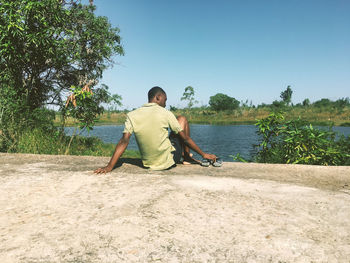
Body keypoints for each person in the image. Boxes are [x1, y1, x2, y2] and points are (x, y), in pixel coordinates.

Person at [94, 86, 217, 173]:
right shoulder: (165, 112)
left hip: (148, 163)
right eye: (165, 99)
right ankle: (187, 157)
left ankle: (186, 156)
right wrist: (204, 154)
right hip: (168, 162)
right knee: (182, 119)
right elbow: (185, 138)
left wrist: (110, 166)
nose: (165, 103)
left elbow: (124, 141)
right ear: (158, 97)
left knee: (172, 130)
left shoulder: (132, 115)